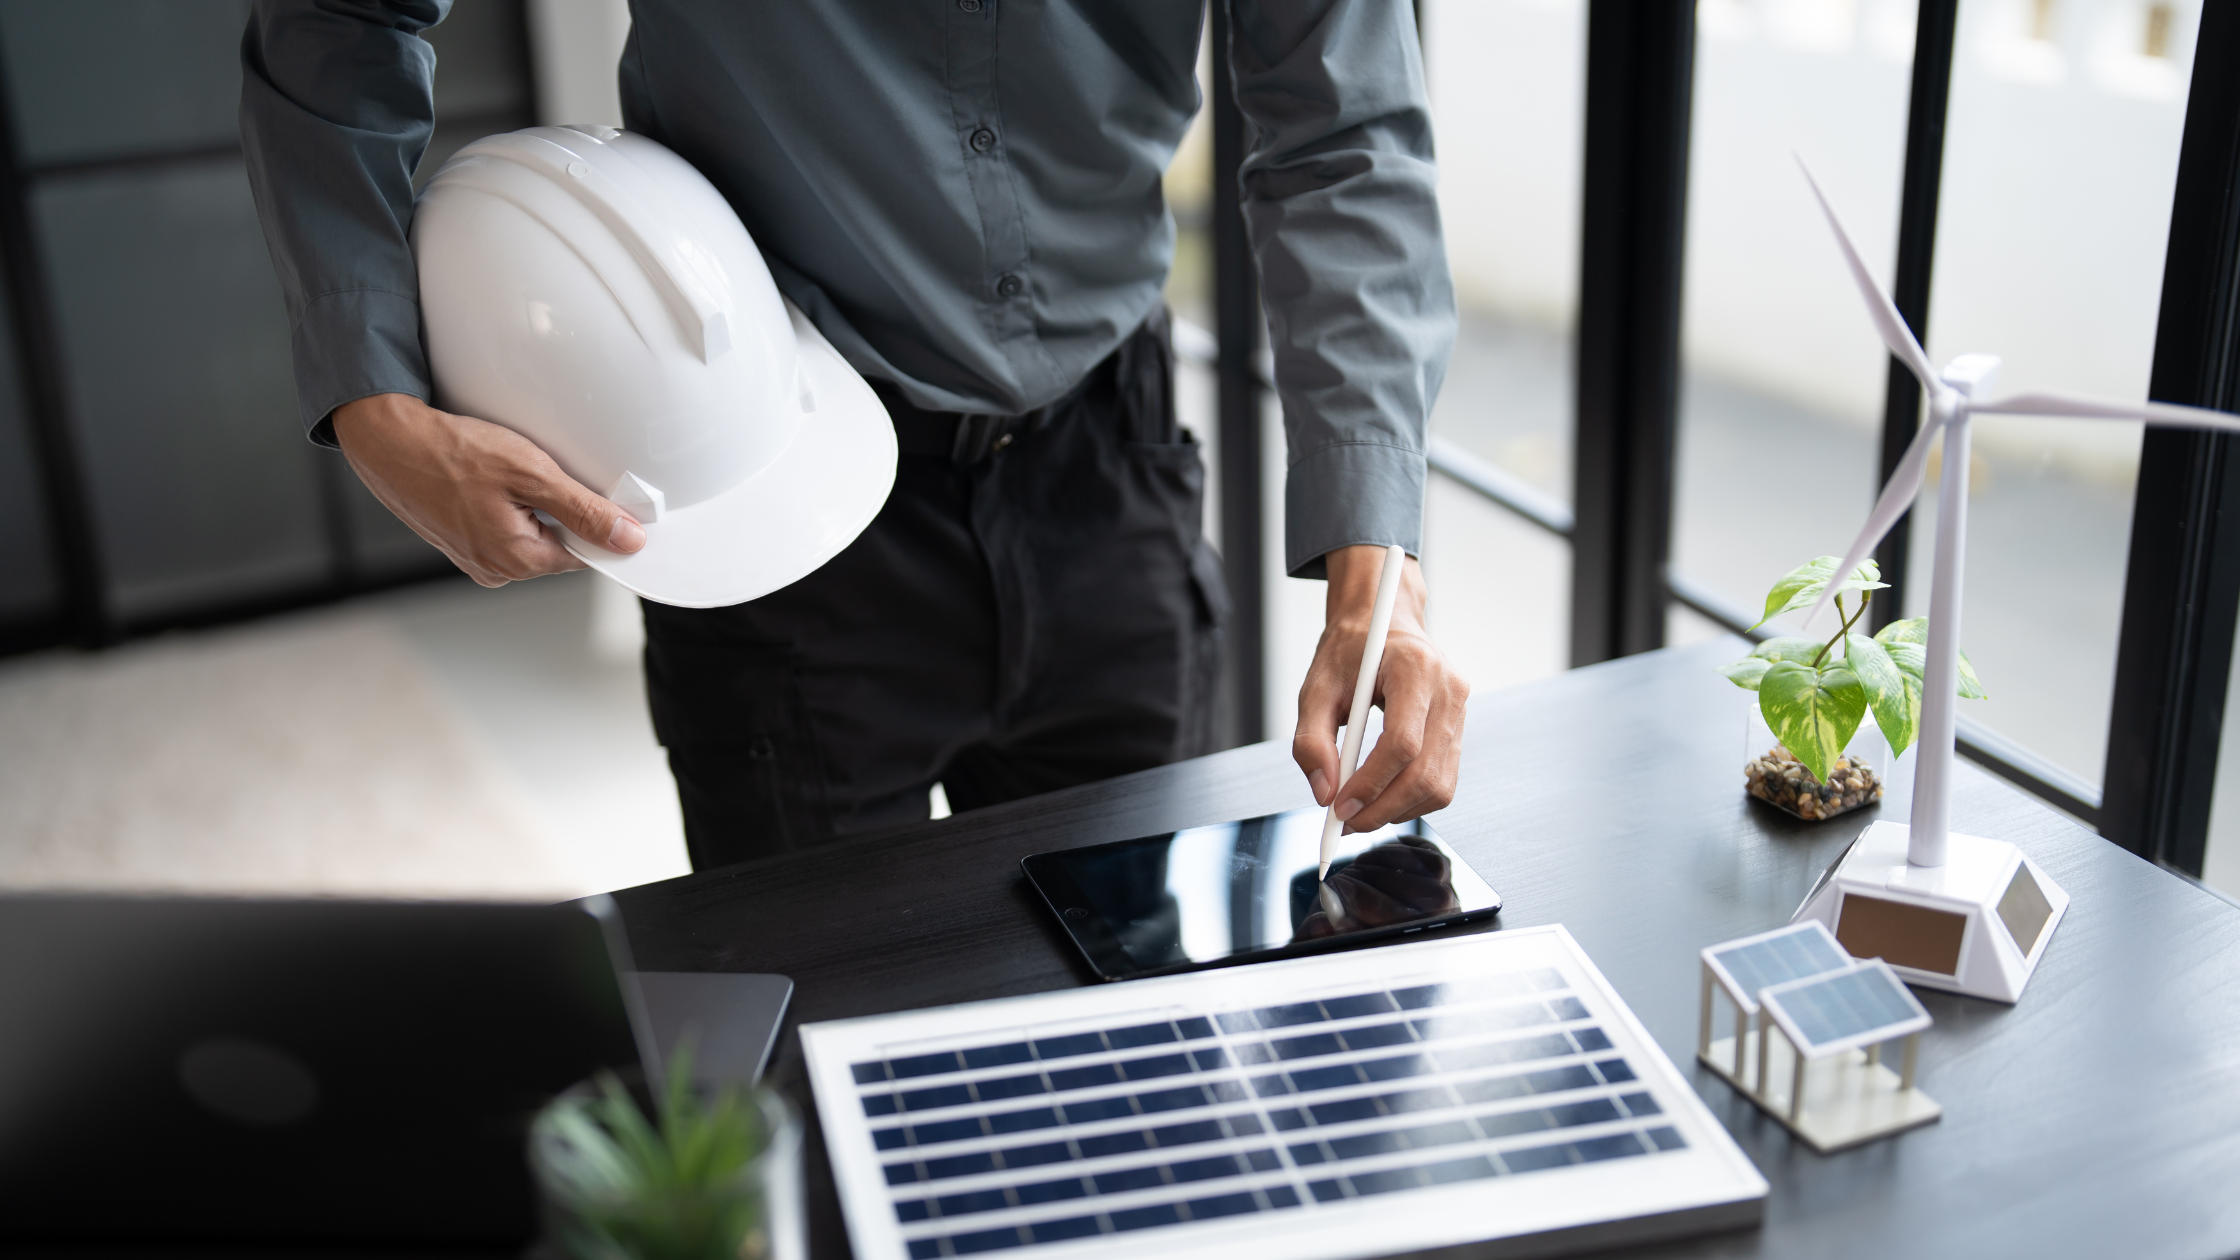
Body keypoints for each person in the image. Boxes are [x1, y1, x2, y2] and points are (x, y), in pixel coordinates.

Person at [240, 0, 1467, 870]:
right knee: (823, 1074)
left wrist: (1380, 572)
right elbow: (345, 17)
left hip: (1112, 467)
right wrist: (375, 403)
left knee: (1143, 1029)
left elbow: (1337, 135)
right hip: (773, 489)